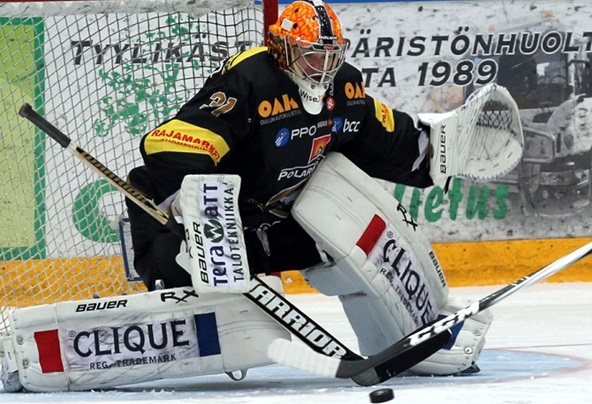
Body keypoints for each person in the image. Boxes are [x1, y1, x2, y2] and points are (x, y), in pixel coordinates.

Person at [126, 0, 493, 378]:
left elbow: (387, 142)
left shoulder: (345, 88)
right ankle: (133, 338)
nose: (323, 66)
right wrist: (191, 199)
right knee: (194, 297)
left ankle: (409, 335)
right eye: (312, 55)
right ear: (282, 49)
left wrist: (440, 151)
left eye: (330, 56)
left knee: (346, 239)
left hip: (265, 224)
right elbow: (171, 142)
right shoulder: (252, 81)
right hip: (181, 217)